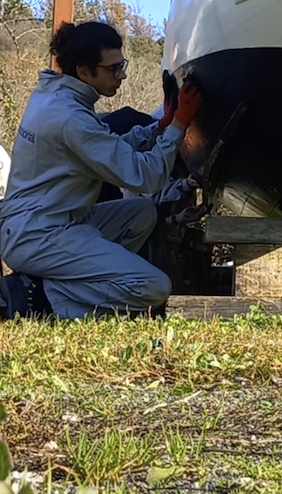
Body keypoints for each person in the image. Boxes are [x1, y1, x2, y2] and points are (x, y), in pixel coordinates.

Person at [0, 21, 203, 320]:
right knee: (154, 287)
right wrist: (179, 125)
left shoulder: (54, 96)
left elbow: (108, 148)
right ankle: (39, 297)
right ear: (84, 72)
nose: (122, 75)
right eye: (113, 69)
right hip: (39, 235)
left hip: (44, 222)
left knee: (141, 212)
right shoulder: (70, 118)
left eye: (122, 65)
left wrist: (160, 126)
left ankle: (60, 280)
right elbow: (147, 176)